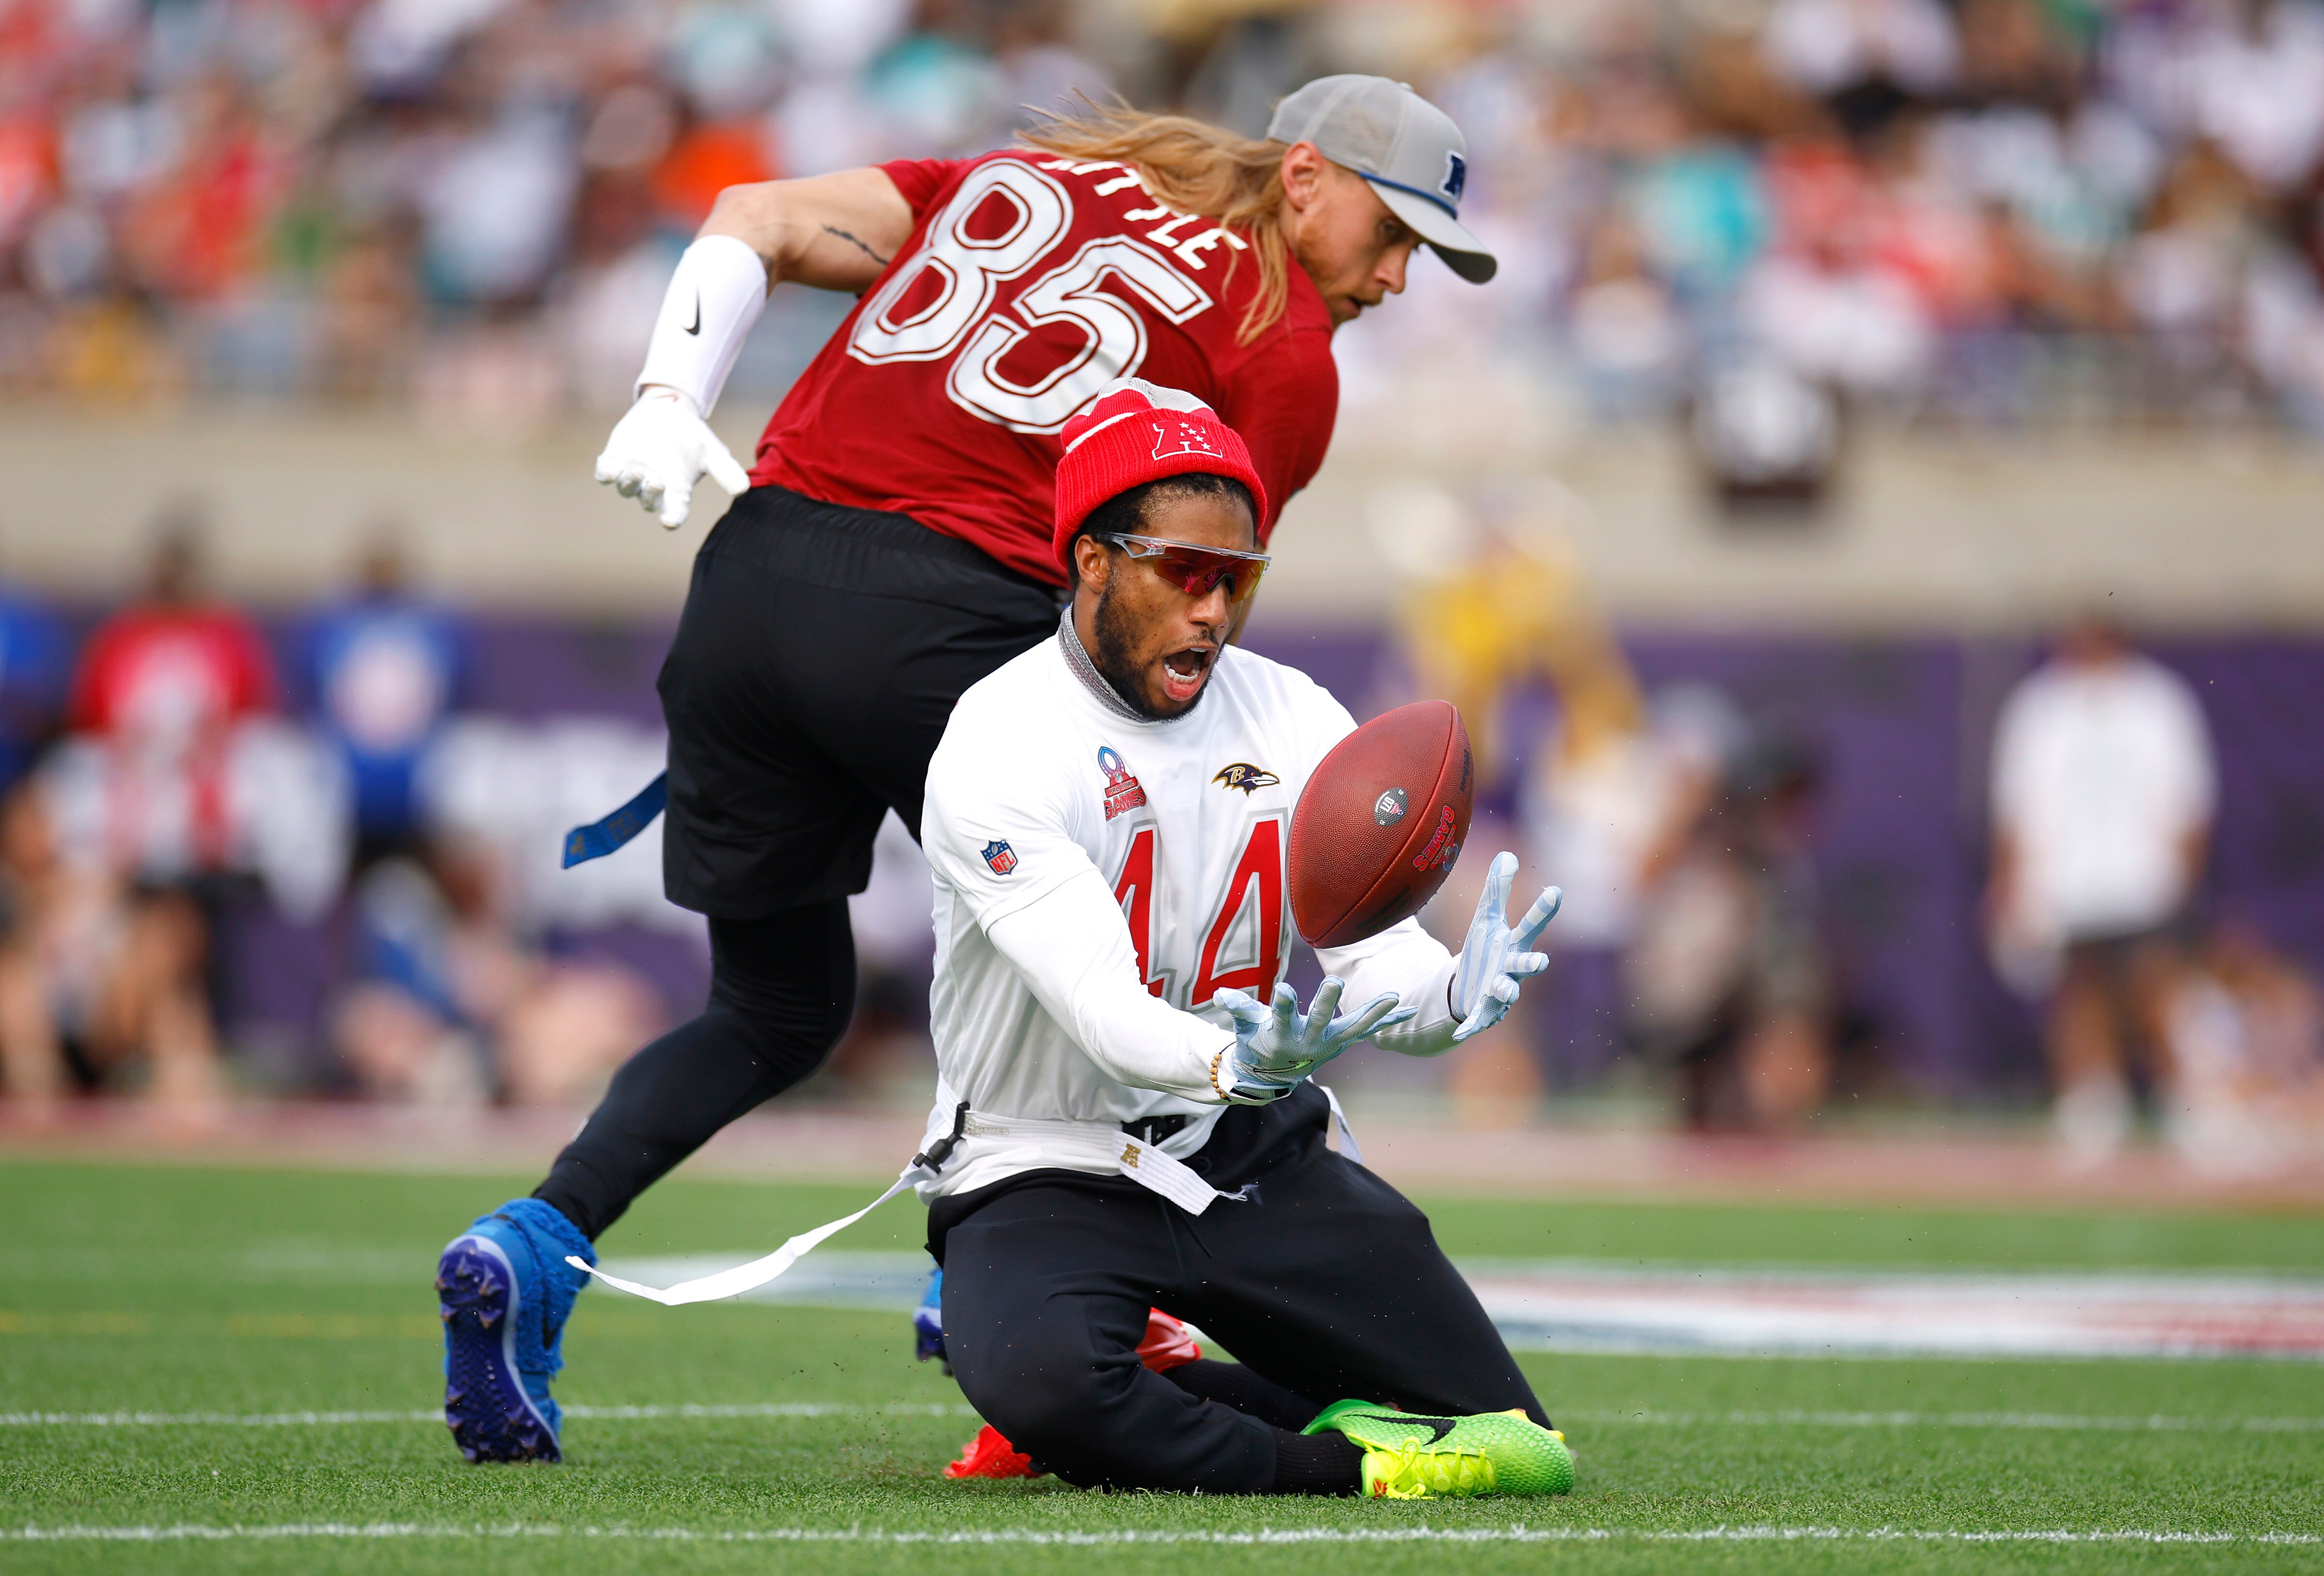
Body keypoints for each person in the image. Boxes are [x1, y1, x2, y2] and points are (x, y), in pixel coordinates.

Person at [436, 76, 1502, 1465]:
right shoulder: (1280, 340)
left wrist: (666, 396)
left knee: (775, 1005)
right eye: (1394, 231)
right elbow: (1191, 602)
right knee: (1132, 945)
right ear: (1303, 177)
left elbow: (753, 216)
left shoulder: (1027, 180)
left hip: (754, 575)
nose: (1399, 275)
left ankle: (539, 1235)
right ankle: (1050, 1292)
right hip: (957, 610)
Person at [893, 382, 1571, 1496]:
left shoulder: (1291, 713)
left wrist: (1449, 996)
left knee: (1513, 1437)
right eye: (1183, 570)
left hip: (1243, 1145)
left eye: (1238, 577)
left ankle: (1181, 1396)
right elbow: (1102, 1009)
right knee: (1053, 1387)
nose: (1213, 608)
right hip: (1044, 1156)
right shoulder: (1000, 740)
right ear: (1093, 559)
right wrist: (1232, 1056)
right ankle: (1349, 1465)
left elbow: (1371, 962)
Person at [1987, 616, 2216, 1162]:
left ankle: (2189, 1104)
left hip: (2141, 880)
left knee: (2156, 992)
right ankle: (2092, 1105)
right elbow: (2015, 804)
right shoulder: (2039, 705)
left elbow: (2188, 800)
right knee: (2078, 995)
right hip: (2065, 883)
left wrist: (2181, 877)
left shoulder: (2157, 701)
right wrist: (2012, 884)